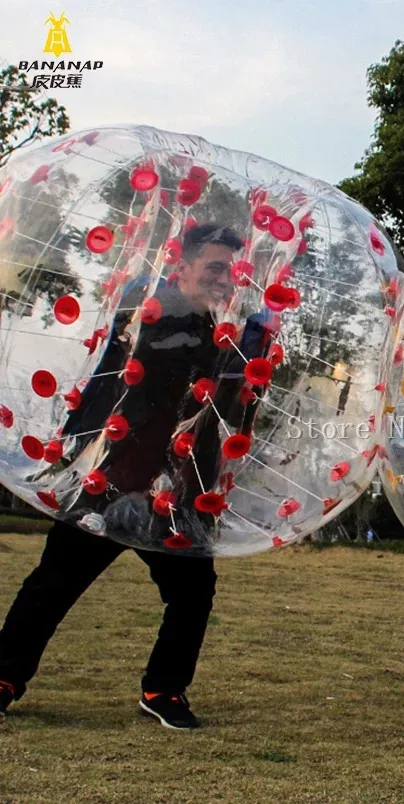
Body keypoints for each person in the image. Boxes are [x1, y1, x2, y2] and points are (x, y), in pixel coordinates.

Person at [0, 223, 273, 730]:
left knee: (192, 595)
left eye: (233, 271)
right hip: (113, 478)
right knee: (53, 584)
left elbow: (236, 404)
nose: (225, 280)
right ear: (183, 266)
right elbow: (125, 371)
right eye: (215, 267)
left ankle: (163, 690)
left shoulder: (233, 334)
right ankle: (4, 678)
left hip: (183, 491)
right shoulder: (149, 312)